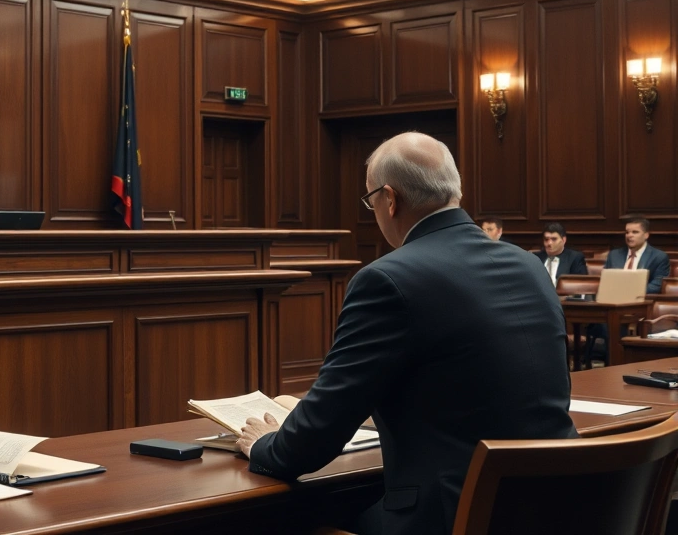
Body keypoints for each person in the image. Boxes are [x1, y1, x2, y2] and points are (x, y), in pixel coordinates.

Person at [236, 132, 577, 535]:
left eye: (371, 201)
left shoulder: (387, 279)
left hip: (454, 517)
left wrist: (264, 444)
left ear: (390, 199)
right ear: (456, 190)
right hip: (559, 508)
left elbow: (315, 439)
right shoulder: (529, 266)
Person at [604, 217, 671, 294]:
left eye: (635, 232)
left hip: (642, 299)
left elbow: (656, 286)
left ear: (646, 235)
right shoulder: (614, 255)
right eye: (627, 232)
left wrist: (628, 292)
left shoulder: (658, 257)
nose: (629, 235)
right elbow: (606, 282)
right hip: (614, 297)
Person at [535, 222, 588, 287]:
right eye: (546, 239)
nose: (549, 243)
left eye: (554, 239)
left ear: (563, 240)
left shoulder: (575, 258)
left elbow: (581, 285)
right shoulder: (536, 258)